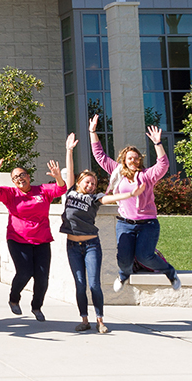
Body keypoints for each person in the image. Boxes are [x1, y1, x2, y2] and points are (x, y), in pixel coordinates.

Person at [62, 132, 146, 334]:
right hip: (72, 246)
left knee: (94, 284)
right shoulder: (70, 191)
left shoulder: (95, 198)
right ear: (80, 181)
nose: (90, 185)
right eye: (87, 182)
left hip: (91, 245)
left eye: (93, 183)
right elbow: (70, 170)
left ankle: (100, 320)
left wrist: (130, 194)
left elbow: (111, 198)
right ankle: (84, 320)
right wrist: (69, 150)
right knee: (80, 285)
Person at [89, 115, 182, 292]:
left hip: (148, 224)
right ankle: (124, 275)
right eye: (130, 158)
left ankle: (170, 272)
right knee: (123, 259)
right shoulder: (117, 172)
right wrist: (92, 131)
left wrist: (157, 144)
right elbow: (99, 155)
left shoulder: (147, 175)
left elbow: (163, 165)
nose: (133, 160)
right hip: (125, 224)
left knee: (145, 256)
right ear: (124, 160)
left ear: (140, 160)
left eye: (136, 158)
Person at [0, 152, 66, 322]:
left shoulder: (42, 191)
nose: (19, 178)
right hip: (18, 239)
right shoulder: (11, 194)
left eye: (22, 174)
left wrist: (58, 177)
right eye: (15, 177)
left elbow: (61, 189)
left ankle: (37, 307)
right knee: (24, 272)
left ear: (29, 176)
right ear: (13, 181)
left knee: (42, 278)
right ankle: (14, 298)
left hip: (42, 240)